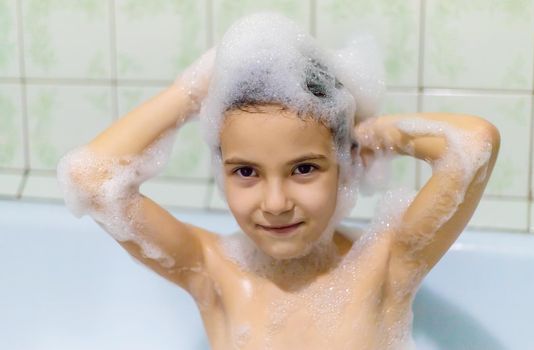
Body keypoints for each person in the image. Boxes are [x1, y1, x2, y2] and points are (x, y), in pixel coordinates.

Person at [57, 14, 500, 350]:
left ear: (345, 164)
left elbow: (474, 143)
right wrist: (190, 92)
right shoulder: (211, 270)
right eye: (246, 172)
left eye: (304, 168)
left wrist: (372, 134)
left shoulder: (384, 265)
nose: (275, 202)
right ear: (221, 167)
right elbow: (90, 177)